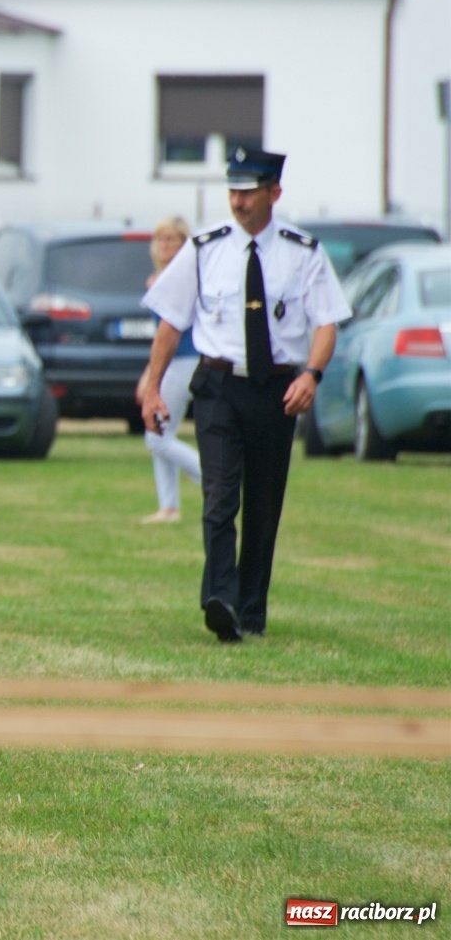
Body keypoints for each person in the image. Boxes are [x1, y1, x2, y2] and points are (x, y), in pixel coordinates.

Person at [139, 149, 349, 643]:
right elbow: (171, 321)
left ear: (274, 193)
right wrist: (151, 385)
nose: (238, 201)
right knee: (219, 497)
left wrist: (312, 375)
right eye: (232, 191)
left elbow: (326, 323)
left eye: (248, 191)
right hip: (218, 387)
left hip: (277, 390)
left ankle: (250, 611)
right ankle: (220, 599)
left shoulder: (303, 252)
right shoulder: (204, 247)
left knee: (263, 503)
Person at [137, 216, 201, 524]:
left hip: (186, 360)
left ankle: (211, 477)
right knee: (162, 434)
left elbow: (175, 331)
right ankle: (169, 507)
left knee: (158, 437)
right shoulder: (156, 278)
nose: (165, 244)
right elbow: (159, 338)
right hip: (169, 362)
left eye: (172, 239)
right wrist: (149, 376)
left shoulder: (185, 276)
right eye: (160, 238)